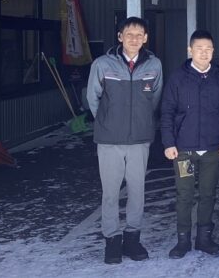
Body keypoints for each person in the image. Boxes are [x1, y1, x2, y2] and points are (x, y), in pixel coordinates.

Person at [87, 17, 163, 264]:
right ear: (120, 37)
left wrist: (142, 122)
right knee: (110, 193)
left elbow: (155, 98)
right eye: (129, 34)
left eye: (139, 34)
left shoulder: (154, 65)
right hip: (110, 140)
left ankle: (132, 239)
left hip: (140, 139)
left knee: (137, 191)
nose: (134, 39)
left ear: (146, 38)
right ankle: (112, 240)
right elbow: (93, 98)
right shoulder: (102, 64)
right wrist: (108, 122)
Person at [161, 30, 219, 259]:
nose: (204, 53)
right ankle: (182, 240)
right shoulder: (177, 78)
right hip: (183, 150)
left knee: (208, 194)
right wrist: (168, 143)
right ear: (190, 50)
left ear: (213, 51)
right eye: (199, 49)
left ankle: (204, 239)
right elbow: (167, 112)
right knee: (184, 194)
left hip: (212, 149)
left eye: (208, 49)